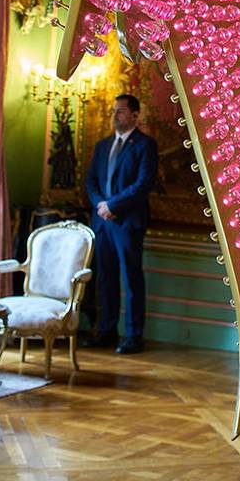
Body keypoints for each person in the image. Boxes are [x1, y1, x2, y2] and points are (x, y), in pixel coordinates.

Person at [84, 94, 158, 355]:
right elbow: (91, 181)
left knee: (132, 280)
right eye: (113, 111)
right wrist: (101, 206)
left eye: (121, 112)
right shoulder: (103, 146)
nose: (115, 115)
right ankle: (106, 331)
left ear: (135, 116)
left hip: (127, 223)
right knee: (106, 279)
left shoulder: (145, 146)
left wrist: (113, 206)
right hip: (103, 224)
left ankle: (134, 336)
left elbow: (143, 184)